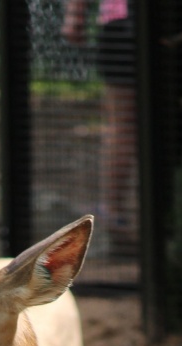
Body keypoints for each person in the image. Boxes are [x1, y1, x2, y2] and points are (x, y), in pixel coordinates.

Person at [62, 0, 136, 257]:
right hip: (167, 21)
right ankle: (116, 215)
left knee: (123, 124)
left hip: (123, 21)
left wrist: (75, 14)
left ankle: (114, 214)